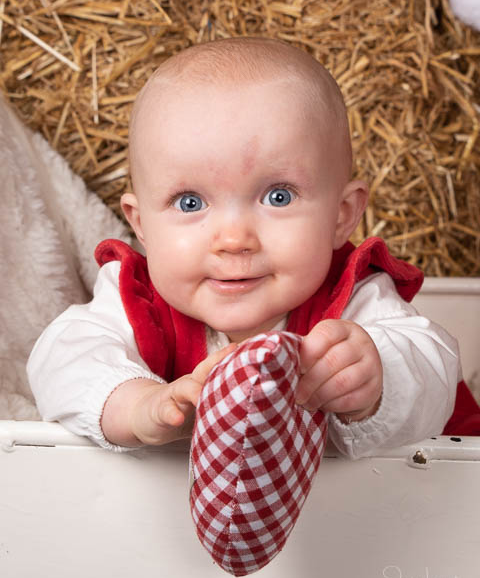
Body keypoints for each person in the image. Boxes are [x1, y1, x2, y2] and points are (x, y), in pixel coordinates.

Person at [27, 37, 461, 458]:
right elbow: (62, 357)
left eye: (278, 197)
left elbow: (434, 366)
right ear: (142, 226)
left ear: (341, 215)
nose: (234, 240)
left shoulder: (353, 297)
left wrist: (377, 380)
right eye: (190, 203)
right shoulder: (136, 297)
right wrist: (138, 405)